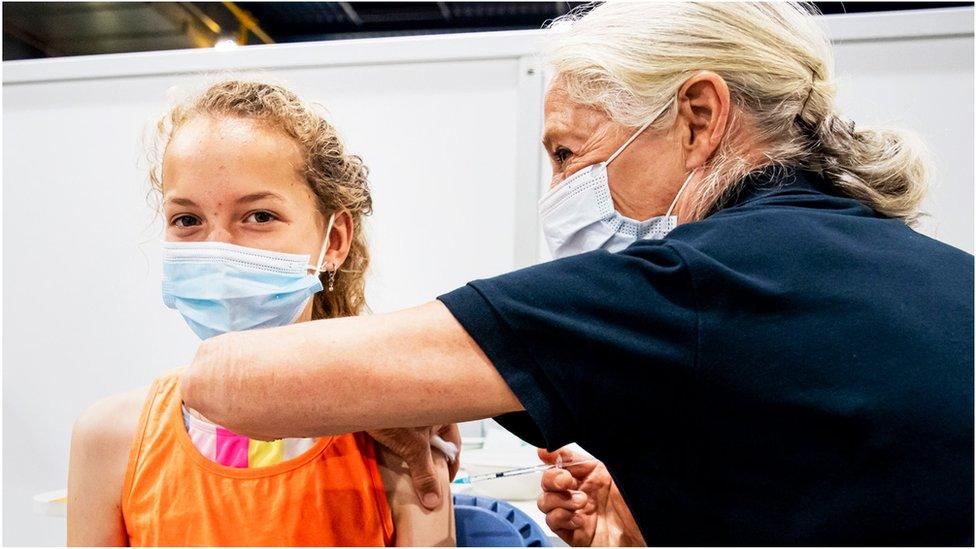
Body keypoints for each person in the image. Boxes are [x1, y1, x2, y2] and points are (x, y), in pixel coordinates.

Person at [180, 3, 973, 546]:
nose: (559, 193)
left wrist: (393, 396)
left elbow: (229, 380)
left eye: (568, 152)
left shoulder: (686, 286)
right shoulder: (943, 277)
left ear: (698, 117)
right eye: (186, 217)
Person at [67, 80, 456, 546]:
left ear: (333, 241)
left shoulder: (397, 437)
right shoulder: (112, 439)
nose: (218, 249)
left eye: (258, 216)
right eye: (187, 220)